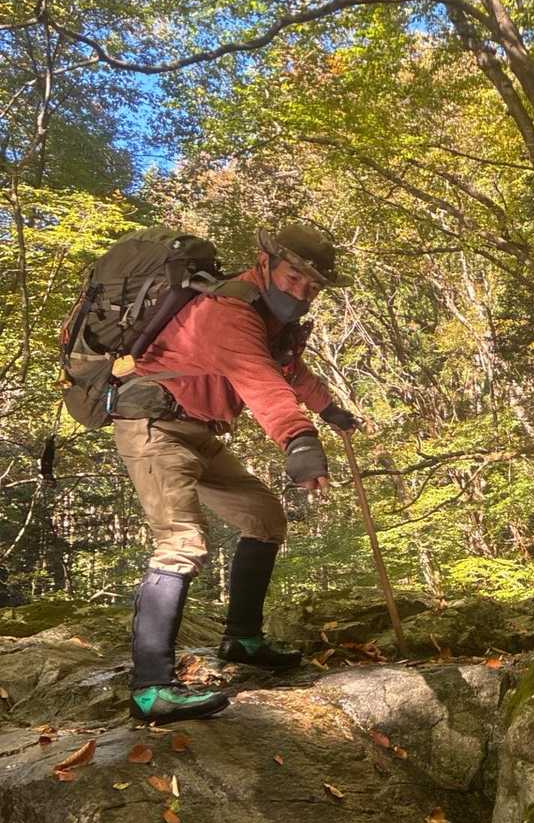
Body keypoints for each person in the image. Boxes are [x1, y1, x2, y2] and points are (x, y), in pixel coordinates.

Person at [114, 222, 359, 726]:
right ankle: (151, 689)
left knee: (264, 518)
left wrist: (330, 409)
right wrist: (299, 439)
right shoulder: (229, 311)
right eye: (294, 277)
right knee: (181, 542)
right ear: (265, 263)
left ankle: (242, 639)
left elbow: (289, 369)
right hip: (154, 423)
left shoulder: (271, 318)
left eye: (313, 286)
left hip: (199, 431)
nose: (302, 292)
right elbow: (260, 379)